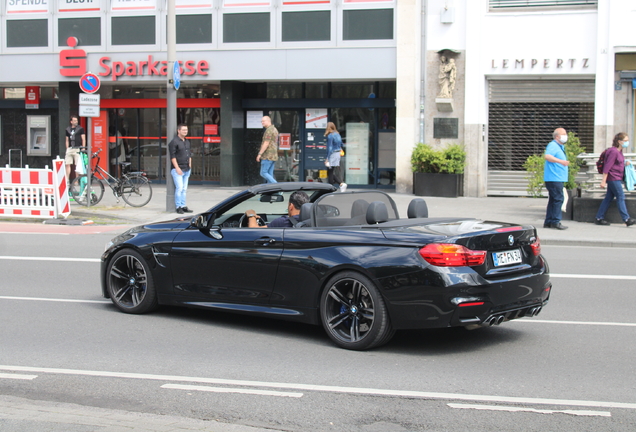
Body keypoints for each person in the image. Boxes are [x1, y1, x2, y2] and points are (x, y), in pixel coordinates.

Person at [595, 132, 636, 227]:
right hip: (613, 178)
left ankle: (599, 217)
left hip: (617, 177)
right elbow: (607, 166)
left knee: (608, 198)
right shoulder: (613, 151)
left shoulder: (619, 151)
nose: (627, 142)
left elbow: (617, 162)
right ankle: (626, 219)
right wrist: (603, 181)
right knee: (620, 196)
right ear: (619, 141)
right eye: (625, 141)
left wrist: (625, 163)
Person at [543, 127, 570, 230]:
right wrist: (561, 162)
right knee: (558, 199)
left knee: (553, 200)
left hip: (556, 178)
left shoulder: (559, 147)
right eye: (564, 134)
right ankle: (555, 221)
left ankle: (549, 221)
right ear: (557, 136)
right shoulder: (553, 145)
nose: (565, 136)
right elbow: (547, 156)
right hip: (554, 178)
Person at [245, 191, 309, 228]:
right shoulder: (314, 221)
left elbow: (254, 230)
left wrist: (251, 215)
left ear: (291, 206)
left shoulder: (283, 222)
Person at [169, 123, 192, 214]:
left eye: (186, 130)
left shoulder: (187, 141)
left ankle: (183, 205)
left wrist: (190, 164)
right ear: (178, 131)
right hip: (178, 170)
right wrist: (177, 168)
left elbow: (189, 154)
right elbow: (173, 156)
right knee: (179, 188)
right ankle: (178, 207)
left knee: (184, 189)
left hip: (187, 169)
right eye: (183, 130)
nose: (185, 131)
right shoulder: (174, 142)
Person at [324, 122, 347, 192]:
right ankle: (341, 184)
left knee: (330, 172)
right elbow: (341, 144)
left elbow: (330, 148)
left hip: (332, 154)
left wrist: (327, 158)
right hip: (337, 154)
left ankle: (331, 189)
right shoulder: (338, 134)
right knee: (331, 171)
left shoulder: (330, 135)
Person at [256, 116, 278, 183]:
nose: (262, 122)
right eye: (261, 121)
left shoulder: (269, 130)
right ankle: (270, 191)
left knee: (263, 173)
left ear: (268, 121)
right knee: (269, 174)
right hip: (273, 155)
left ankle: (277, 186)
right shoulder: (274, 129)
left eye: (263, 121)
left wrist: (259, 154)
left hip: (267, 155)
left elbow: (266, 143)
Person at [65, 115, 86, 185]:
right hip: (70, 148)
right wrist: (67, 147)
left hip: (77, 148)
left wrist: (83, 147)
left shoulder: (80, 129)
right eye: (74, 121)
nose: (75, 122)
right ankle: (67, 179)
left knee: (77, 165)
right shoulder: (68, 129)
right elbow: (67, 139)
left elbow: (83, 138)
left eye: (76, 120)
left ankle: (76, 181)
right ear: (71, 122)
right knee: (67, 164)